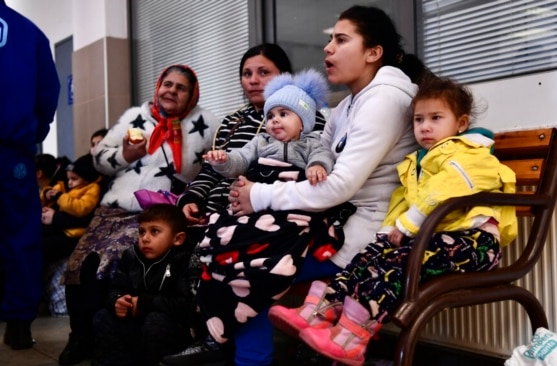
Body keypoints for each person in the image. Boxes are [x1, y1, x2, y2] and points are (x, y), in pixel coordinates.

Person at [184, 5, 429, 366]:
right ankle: (248, 355)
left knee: (246, 262)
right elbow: (315, 165)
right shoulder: (348, 105)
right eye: (329, 39)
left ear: (373, 52)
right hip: (331, 223)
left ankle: (251, 360)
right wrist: (251, 186)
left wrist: (260, 196)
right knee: (230, 248)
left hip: (367, 236)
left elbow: (339, 187)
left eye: (341, 39)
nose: (328, 48)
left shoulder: (386, 99)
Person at [268, 75, 518, 365]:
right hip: (432, 239)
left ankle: (353, 337)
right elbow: (403, 199)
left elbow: (446, 190)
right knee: (369, 255)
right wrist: (387, 232)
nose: (424, 127)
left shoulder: (470, 154)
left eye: (436, 118)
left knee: (394, 264)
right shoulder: (418, 162)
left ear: (460, 124)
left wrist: (407, 225)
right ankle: (320, 310)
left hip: (473, 244)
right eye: (419, 119)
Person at [58, 64, 218, 365]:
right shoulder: (135, 116)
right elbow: (99, 161)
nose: (170, 91)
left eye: (180, 87)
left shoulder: (206, 124)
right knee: (82, 265)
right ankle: (81, 335)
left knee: (124, 267)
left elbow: (214, 171)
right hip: (112, 210)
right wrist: (126, 155)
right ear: (158, 86)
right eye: (166, 84)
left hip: (159, 213)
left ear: (192, 95)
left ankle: (126, 335)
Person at [0, 0, 60, 350]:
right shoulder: (29, 33)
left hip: (13, 147)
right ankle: (19, 324)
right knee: (20, 234)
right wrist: (32, 131)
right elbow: (48, 95)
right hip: (12, 149)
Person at [92, 204, 195, 366]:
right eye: (142, 232)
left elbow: (187, 307)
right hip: (137, 325)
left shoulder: (184, 259)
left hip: (171, 329)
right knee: (103, 317)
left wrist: (144, 302)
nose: (145, 238)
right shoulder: (131, 255)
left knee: (154, 321)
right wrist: (117, 301)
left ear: (178, 239)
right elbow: (115, 289)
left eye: (154, 231)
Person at [205, 68, 333, 185]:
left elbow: (322, 154)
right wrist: (224, 160)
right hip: (258, 195)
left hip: (293, 195)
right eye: (270, 116)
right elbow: (242, 158)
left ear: (302, 123)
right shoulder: (261, 141)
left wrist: (317, 166)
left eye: (283, 114)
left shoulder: (311, 142)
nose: (275, 120)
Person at [40, 154, 101, 264]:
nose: (70, 182)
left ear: (86, 178)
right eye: (69, 179)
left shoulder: (92, 189)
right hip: (60, 227)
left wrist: (59, 196)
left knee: (42, 246)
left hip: (72, 234)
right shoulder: (71, 187)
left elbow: (81, 208)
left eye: (74, 179)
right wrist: (47, 192)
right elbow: (59, 188)